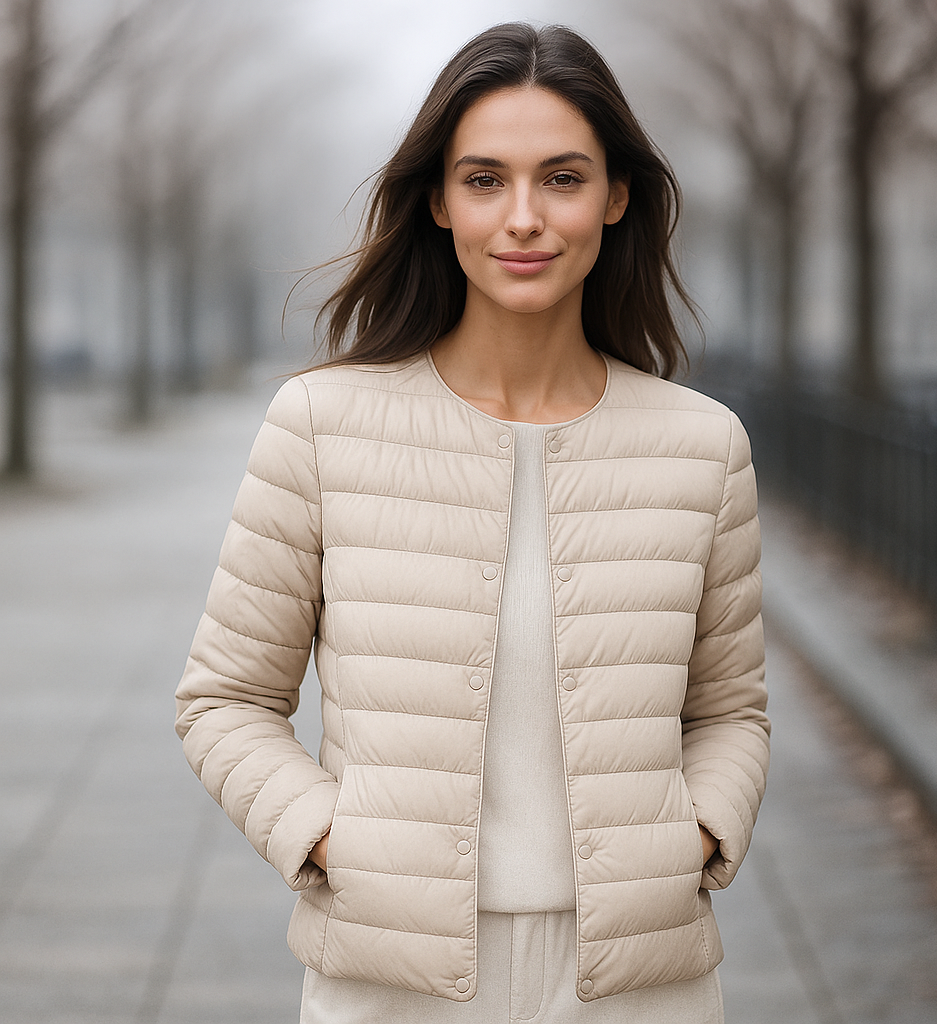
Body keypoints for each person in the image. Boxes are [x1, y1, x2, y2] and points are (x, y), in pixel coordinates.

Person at [175, 22, 769, 1024]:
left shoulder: (701, 446)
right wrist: (328, 838)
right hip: (391, 979)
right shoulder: (321, 425)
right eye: (485, 179)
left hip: (641, 982)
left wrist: (703, 831)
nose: (524, 217)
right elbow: (224, 698)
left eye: (563, 178)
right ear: (440, 203)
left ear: (616, 197)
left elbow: (728, 711)